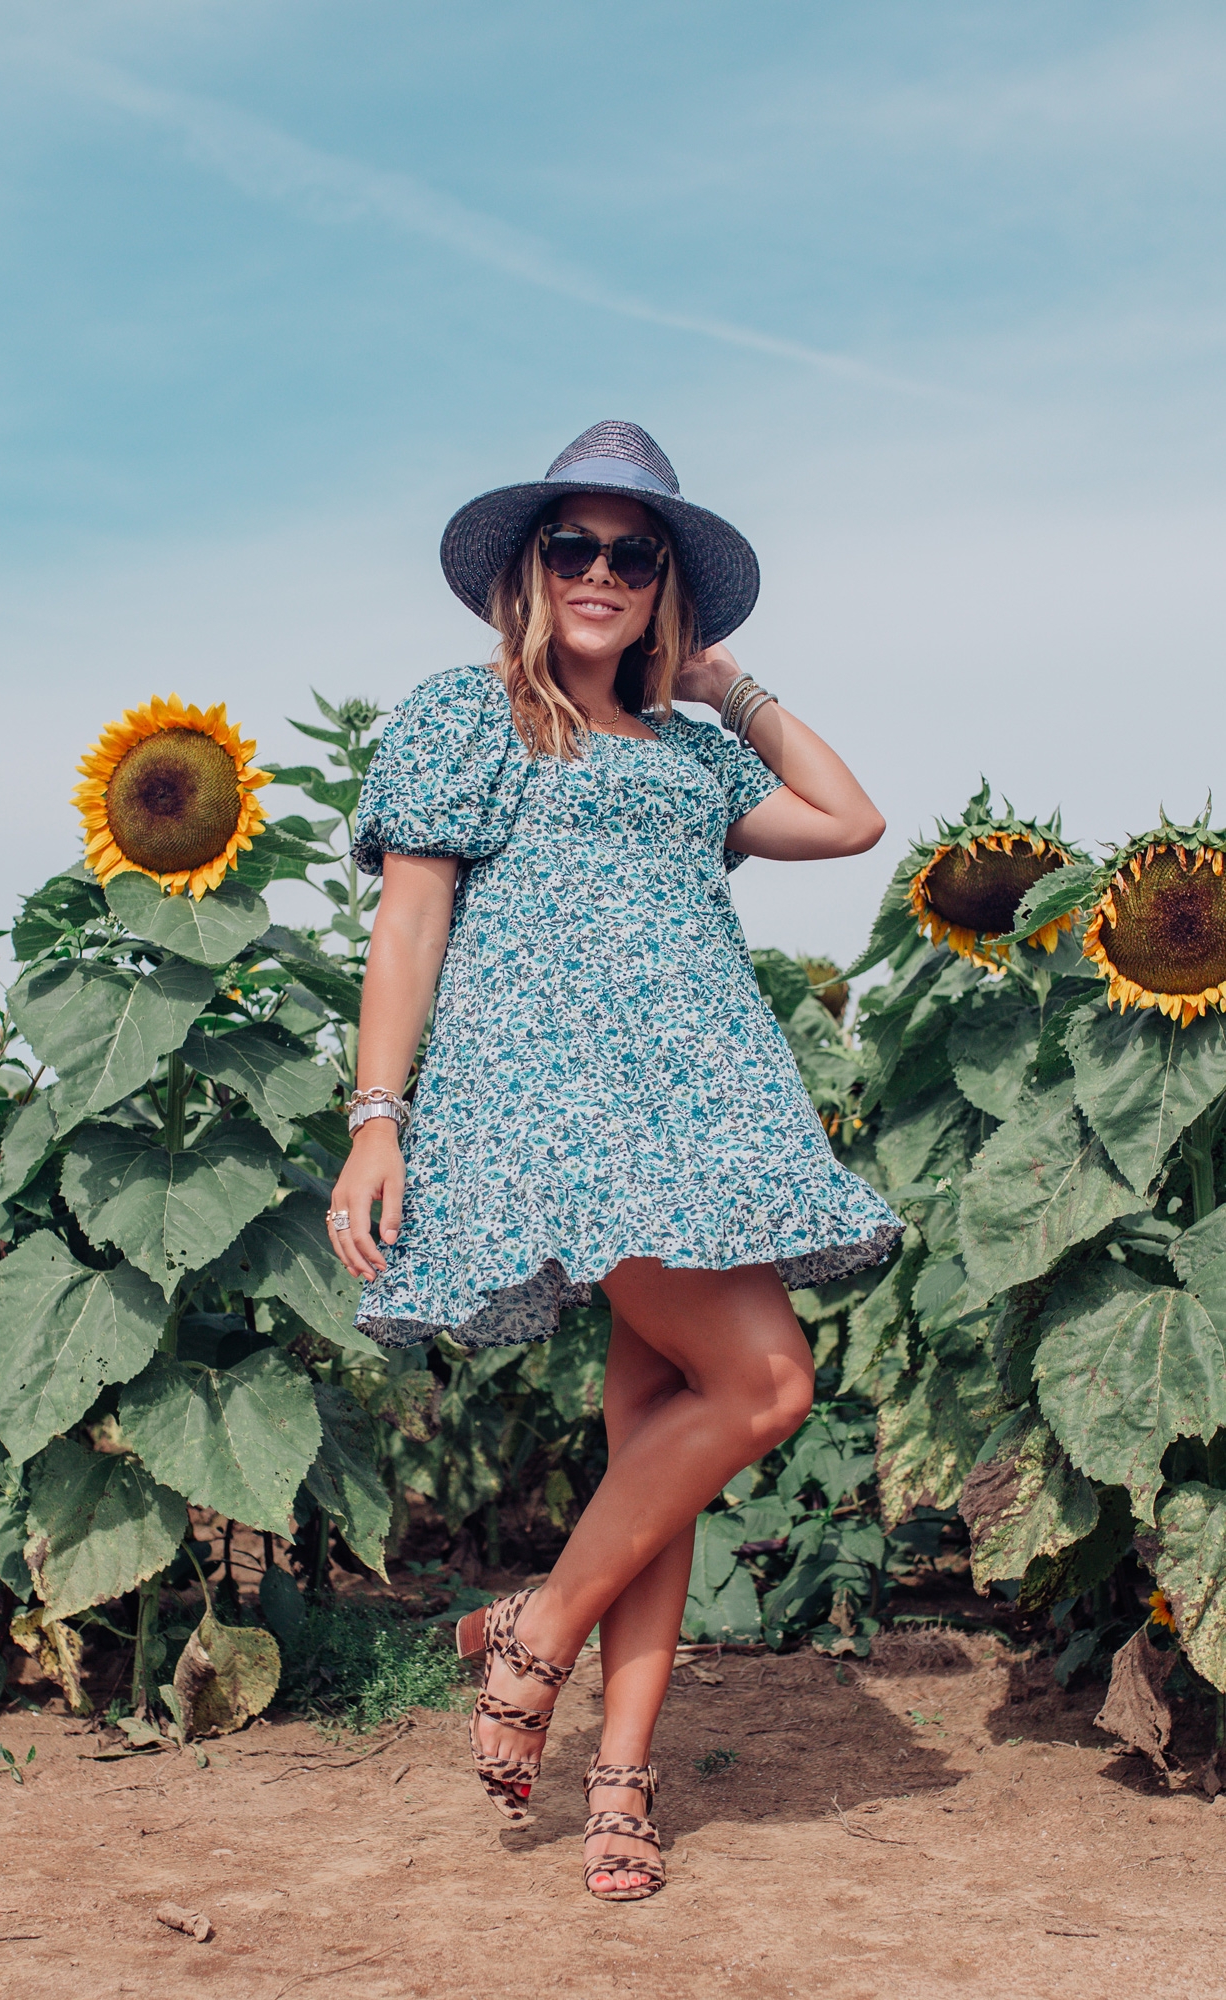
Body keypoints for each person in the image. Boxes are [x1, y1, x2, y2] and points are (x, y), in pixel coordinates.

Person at [326, 421, 900, 1900]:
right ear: (529, 570)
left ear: (663, 589)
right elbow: (408, 923)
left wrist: (730, 685)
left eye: (630, 556)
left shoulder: (694, 759)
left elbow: (847, 820)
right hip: (562, 1109)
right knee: (767, 1384)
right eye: (570, 547)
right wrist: (375, 1114)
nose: (597, 573)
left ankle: (619, 1785)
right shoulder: (468, 715)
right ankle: (534, 1630)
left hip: (709, 1110)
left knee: (660, 1427)